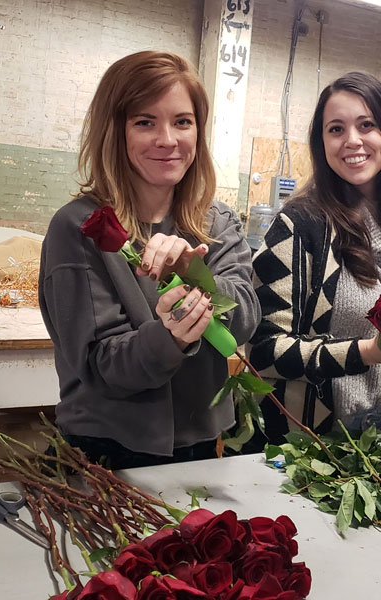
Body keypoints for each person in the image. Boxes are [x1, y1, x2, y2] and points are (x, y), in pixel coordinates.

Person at [39, 51, 258, 469]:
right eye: (145, 122)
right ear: (114, 130)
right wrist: (170, 337)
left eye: (182, 121)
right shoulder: (79, 229)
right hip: (106, 451)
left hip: (200, 448)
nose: (167, 139)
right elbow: (102, 366)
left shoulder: (217, 222)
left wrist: (194, 275)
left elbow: (245, 318)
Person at [248, 71, 381, 442]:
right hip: (313, 441)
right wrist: (367, 352)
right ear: (322, 142)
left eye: (366, 125)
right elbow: (263, 351)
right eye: (336, 129)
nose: (352, 140)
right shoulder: (300, 225)